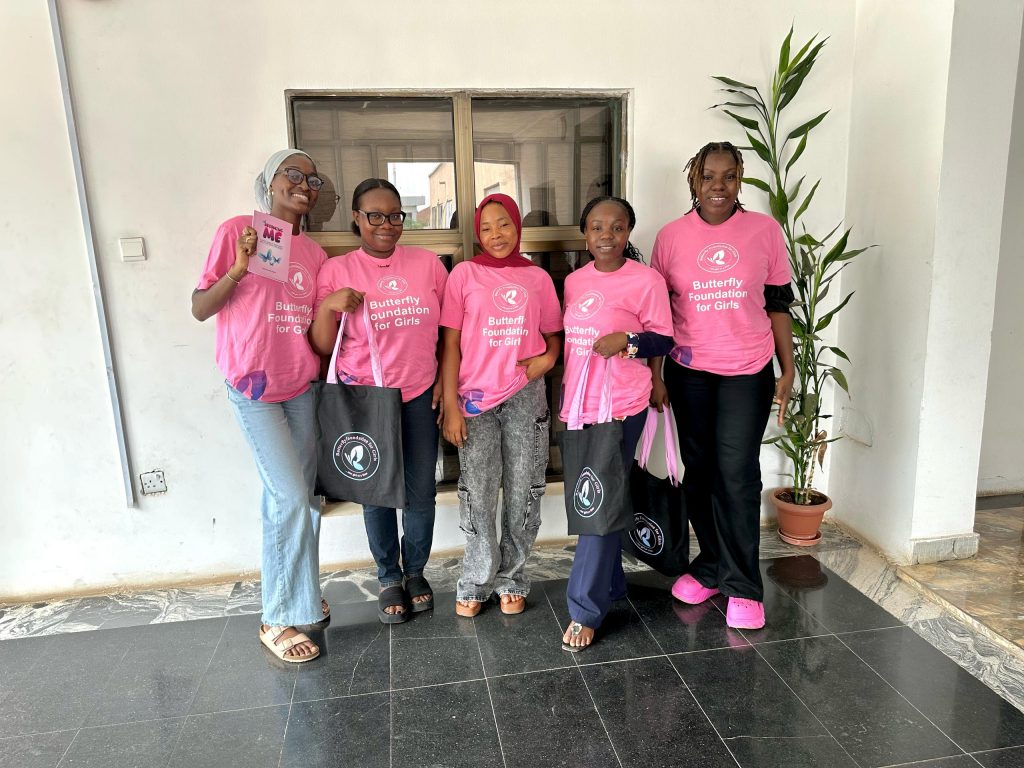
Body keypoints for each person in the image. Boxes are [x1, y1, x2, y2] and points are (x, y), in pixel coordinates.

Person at [650, 141, 795, 630]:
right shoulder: (670, 238)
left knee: (736, 472)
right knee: (701, 472)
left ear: (739, 180)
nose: (718, 186)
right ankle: (711, 565)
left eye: (729, 176)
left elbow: (778, 303)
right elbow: (657, 314)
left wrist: (788, 368)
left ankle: (744, 585)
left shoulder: (764, 231)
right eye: (709, 176)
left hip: (747, 371)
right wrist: (655, 375)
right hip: (689, 371)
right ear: (694, 179)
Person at [191, 149, 329, 662]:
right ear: (269, 184)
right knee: (288, 496)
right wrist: (239, 268)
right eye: (291, 174)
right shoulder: (236, 232)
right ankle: (276, 616)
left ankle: (301, 594)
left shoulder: (313, 255)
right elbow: (200, 308)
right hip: (253, 388)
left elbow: (313, 334)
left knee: (301, 499)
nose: (302, 184)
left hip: (301, 388)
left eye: (311, 179)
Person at [310, 178, 448, 624]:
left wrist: (446, 385)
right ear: (356, 218)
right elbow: (321, 344)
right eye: (375, 216)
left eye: (394, 216)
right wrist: (329, 304)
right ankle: (388, 576)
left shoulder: (429, 265)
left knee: (420, 491)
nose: (387, 225)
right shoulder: (335, 270)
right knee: (376, 493)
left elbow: (449, 332)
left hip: (418, 393)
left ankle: (415, 573)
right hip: (365, 400)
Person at [440, 193, 563, 617]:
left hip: (525, 394)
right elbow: (450, 344)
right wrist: (452, 404)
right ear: (477, 232)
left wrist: (547, 359)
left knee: (524, 490)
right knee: (477, 492)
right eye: (487, 227)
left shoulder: (538, 279)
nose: (496, 234)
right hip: (474, 401)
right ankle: (475, 581)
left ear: (518, 226)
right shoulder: (463, 275)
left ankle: (513, 577)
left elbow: (553, 336)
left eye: (504, 224)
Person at [559, 197, 673, 651]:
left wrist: (627, 341)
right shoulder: (572, 282)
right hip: (579, 406)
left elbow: (664, 337)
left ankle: (584, 608)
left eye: (617, 227)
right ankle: (612, 585)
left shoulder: (646, 281)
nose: (606, 235)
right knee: (596, 497)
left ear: (629, 232)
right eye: (597, 227)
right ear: (585, 233)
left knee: (596, 502)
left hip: (622, 406)